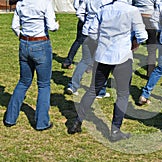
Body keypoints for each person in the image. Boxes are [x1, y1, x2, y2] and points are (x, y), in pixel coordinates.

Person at [69, 0, 148, 142]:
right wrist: (134, 43)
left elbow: (91, 32)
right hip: (122, 56)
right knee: (123, 94)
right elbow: (143, 35)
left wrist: (103, 41)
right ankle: (115, 130)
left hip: (102, 55)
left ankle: (77, 121)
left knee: (93, 89)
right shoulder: (132, 11)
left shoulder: (103, 10)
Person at [4, 0, 59, 130]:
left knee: (23, 82)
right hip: (41, 43)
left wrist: (22, 37)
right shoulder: (45, 3)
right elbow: (51, 26)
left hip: (24, 43)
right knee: (44, 85)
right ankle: (42, 122)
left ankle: (10, 118)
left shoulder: (20, 4)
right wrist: (56, 25)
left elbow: (14, 26)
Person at [65, 0, 111, 99]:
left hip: (88, 32)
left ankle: (72, 86)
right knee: (102, 63)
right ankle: (100, 90)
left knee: (84, 61)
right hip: (101, 33)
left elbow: (79, 12)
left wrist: (87, 21)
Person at [133, 0, 158, 77]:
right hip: (149, 17)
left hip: (137, 16)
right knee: (152, 47)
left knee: (132, 43)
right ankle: (150, 72)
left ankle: (125, 67)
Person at [61, 0, 87, 69]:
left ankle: (68, 61)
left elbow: (76, 5)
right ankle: (88, 65)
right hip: (89, 18)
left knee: (78, 41)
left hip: (83, 17)